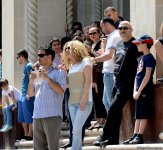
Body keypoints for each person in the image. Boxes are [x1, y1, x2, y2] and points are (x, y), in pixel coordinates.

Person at [93, 21, 142, 146]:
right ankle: (113, 138)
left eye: (125, 28)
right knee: (115, 110)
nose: (122, 30)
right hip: (118, 81)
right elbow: (115, 59)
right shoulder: (119, 44)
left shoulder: (136, 44)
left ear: (131, 30)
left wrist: (138, 83)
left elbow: (140, 64)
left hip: (128, 82)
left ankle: (105, 135)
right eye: (120, 28)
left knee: (114, 108)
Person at [28, 47, 67, 150]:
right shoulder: (37, 73)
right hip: (37, 115)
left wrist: (46, 78)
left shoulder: (59, 71)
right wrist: (31, 81)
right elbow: (31, 94)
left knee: (53, 148)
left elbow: (61, 90)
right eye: (38, 55)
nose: (38, 58)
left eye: (41, 55)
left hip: (52, 115)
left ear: (49, 57)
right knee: (38, 148)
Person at [123, 35, 156, 144]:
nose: (137, 45)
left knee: (143, 114)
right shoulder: (141, 58)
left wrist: (140, 91)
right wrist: (135, 91)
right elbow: (137, 76)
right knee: (137, 115)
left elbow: (147, 76)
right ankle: (135, 135)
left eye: (139, 43)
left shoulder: (150, 58)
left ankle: (140, 135)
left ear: (145, 44)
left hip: (145, 91)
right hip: (138, 91)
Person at [62, 40, 93, 150]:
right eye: (65, 49)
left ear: (76, 49)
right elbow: (69, 85)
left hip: (84, 101)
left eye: (69, 48)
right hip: (72, 102)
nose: (67, 51)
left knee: (76, 129)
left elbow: (88, 81)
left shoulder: (86, 61)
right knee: (76, 130)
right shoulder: (70, 66)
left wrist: (84, 99)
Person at [93, 17, 122, 113]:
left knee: (110, 102)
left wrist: (92, 59)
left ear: (107, 25)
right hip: (107, 73)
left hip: (110, 73)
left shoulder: (115, 36)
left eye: (102, 27)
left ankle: (115, 127)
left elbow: (110, 55)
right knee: (106, 102)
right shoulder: (111, 36)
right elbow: (109, 54)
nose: (101, 30)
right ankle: (112, 126)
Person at [16, 49, 35, 141]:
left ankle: (30, 134)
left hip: (27, 95)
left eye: (18, 57)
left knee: (29, 114)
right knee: (21, 116)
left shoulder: (29, 66)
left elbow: (33, 80)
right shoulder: (25, 67)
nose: (17, 59)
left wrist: (29, 93)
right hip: (22, 95)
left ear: (22, 56)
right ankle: (25, 133)